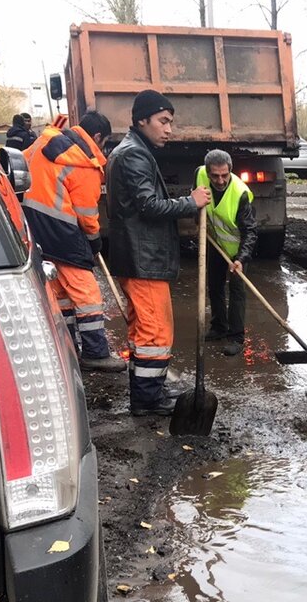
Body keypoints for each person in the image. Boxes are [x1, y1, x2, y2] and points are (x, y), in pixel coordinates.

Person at [106, 89, 210, 416]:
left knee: (143, 331)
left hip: (136, 258)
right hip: (143, 261)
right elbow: (148, 205)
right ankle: (149, 399)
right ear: (142, 119)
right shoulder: (134, 154)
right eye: (163, 121)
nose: (169, 129)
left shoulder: (131, 150)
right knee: (155, 332)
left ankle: (148, 389)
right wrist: (189, 203)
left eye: (170, 122)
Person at [22, 110, 124, 372]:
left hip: (33, 225)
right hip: (63, 230)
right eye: (105, 142)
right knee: (87, 292)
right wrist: (94, 242)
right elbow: (88, 214)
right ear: (98, 137)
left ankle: (68, 349)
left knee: (61, 292)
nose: (104, 148)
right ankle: (96, 353)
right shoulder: (84, 163)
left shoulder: (43, 142)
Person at [196, 149, 257, 357]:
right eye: (215, 175)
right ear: (207, 171)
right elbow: (196, 199)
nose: (220, 180)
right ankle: (219, 326)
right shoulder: (200, 174)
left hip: (238, 249)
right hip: (216, 243)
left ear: (230, 170)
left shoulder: (240, 193)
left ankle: (236, 336)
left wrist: (241, 259)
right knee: (214, 285)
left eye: (224, 175)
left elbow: (250, 231)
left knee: (237, 291)